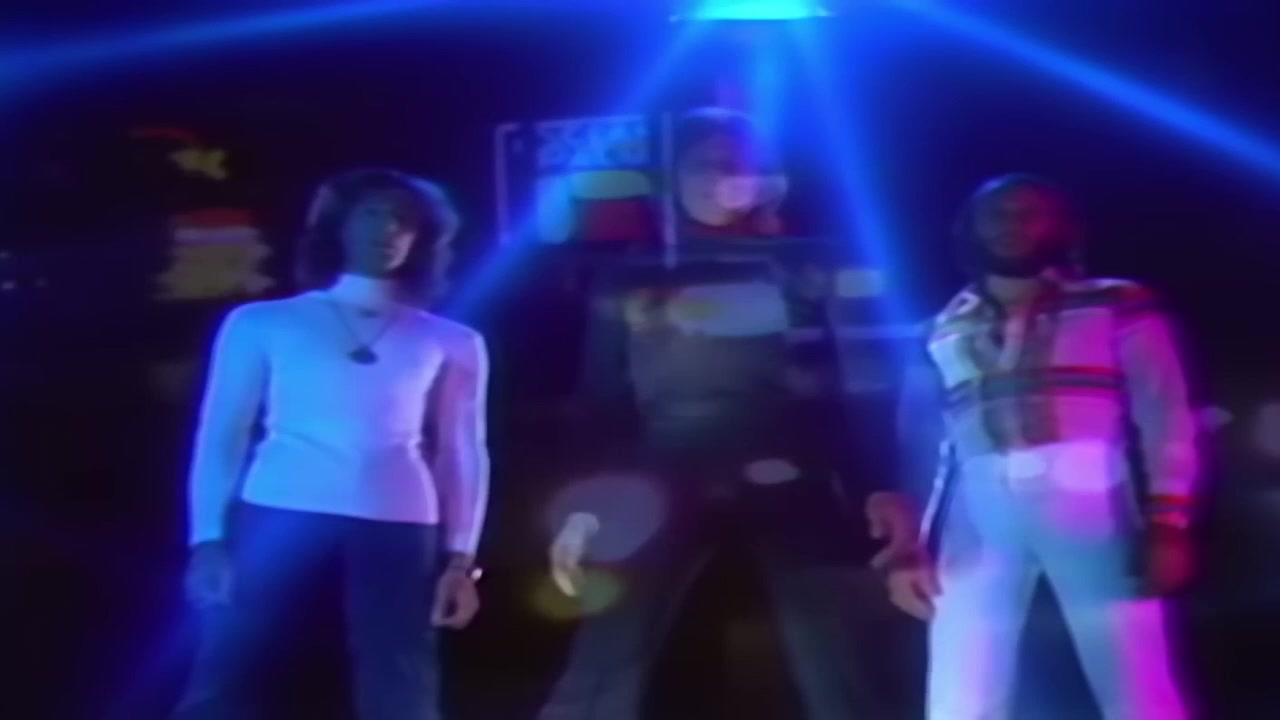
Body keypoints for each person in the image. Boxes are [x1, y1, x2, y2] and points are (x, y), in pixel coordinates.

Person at [535, 108, 918, 720]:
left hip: (789, 465)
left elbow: (858, 385)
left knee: (837, 653)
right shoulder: (630, 273)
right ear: (674, 176)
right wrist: (582, 507)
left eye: (739, 165)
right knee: (609, 651)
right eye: (707, 164)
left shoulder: (808, 265)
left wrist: (881, 486)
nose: (725, 177)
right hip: (664, 466)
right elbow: (600, 399)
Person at [172, 168, 490, 720]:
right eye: (372, 213)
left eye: (403, 220)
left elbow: (463, 452)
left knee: (401, 676)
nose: (388, 229)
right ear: (339, 224)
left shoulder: (451, 340)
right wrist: (208, 539)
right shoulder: (262, 323)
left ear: (421, 238)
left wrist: (461, 559)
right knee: (230, 665)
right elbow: (222, 433)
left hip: (398, 520)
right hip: (277, 509)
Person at [887, 174, 1196, 720]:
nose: (1012, 225)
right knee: (960, 690)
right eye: (997, 213)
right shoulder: (939, 327)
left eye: (1029, 213)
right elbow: (924, 441)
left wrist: (1169, 522)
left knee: (1134, 681)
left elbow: (1164, 411)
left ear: (1058, 225)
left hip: (1089, 498)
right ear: (970, 227)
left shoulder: (1116, 302)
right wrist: (913, 543)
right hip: (976, 508)